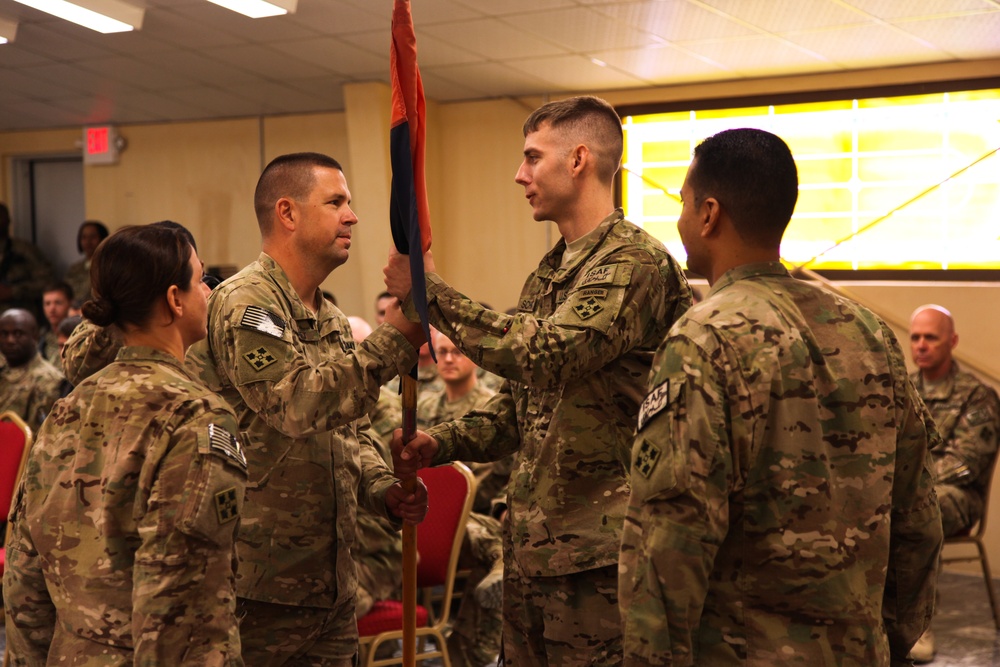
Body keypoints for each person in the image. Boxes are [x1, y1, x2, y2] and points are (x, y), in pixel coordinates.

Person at [618, 128, 943, 665]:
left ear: (709, 214)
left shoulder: (703, 337)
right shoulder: (868, 331)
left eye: (682, 202)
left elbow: (669, 544)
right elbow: (918, 518)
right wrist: (890, 640)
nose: (679, 218)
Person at [388, 95, 692, 665]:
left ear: (579, 159)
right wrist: (440, 442)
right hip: (534, 550)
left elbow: (551, 355)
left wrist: (431, 294)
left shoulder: (634, 264)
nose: (519, 175)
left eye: (533, 157)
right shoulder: (550, 273)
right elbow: (517, 411)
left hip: (602, 555)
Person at [185, 152, 428, 666]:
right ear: (288, 214)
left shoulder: (333, 319)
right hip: (260, 586)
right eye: (336, 202)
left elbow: (352, 431)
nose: (353, 216)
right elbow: (295, 404)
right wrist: (392, 343)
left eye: (350, 202)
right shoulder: (248, 303)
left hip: (331, 583)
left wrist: (384, 491)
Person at [3, 224, 247, 665]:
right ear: (175, 299)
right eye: (200, 280)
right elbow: (179, 599)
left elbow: (23, 571)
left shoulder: (67, 408)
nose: (209, 294)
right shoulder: (195, 416)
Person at [907, 304, 1000, 663]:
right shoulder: (902, 387)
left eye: (931, 337)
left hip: (957, 497)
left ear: (953, 341)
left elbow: (966, 464)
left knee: (917, 510)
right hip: (906, 490)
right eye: (915, 337)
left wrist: (908, 485)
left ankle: (917, 619)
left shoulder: (976, 395)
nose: (921, 345)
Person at [417, 329, 506, 667]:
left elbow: (494, 475)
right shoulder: (423, 405)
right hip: (419, 512)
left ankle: (471, 651)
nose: (449, 359)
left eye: (458, 351)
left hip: (470, 513)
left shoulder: (488, 408)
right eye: (443, 352)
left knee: (496, 540)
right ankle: (469, 653)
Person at [0, 308, 63, 432]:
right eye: (4, 334)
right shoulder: (3, 371)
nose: (10, 340)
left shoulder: (48, 380)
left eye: (18, 334)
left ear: (34, 336)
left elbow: (40, 435)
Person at [0, 202, 54, 318]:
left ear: (8, 221)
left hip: (20, 317)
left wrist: (13, 291)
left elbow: (47, 282)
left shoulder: (24, 250)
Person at [63, 220, 109, 303]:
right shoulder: (75, 268)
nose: (88, 242)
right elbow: (65, 292)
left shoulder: (107, 267)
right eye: (84, 237)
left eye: (93, 237)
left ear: (103, 239)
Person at [38, 281, 74, 366]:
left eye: (58, 303)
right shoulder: (42, 337)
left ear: (70, 304)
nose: (52, 309)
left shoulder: (79, 336)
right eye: (47, 304)